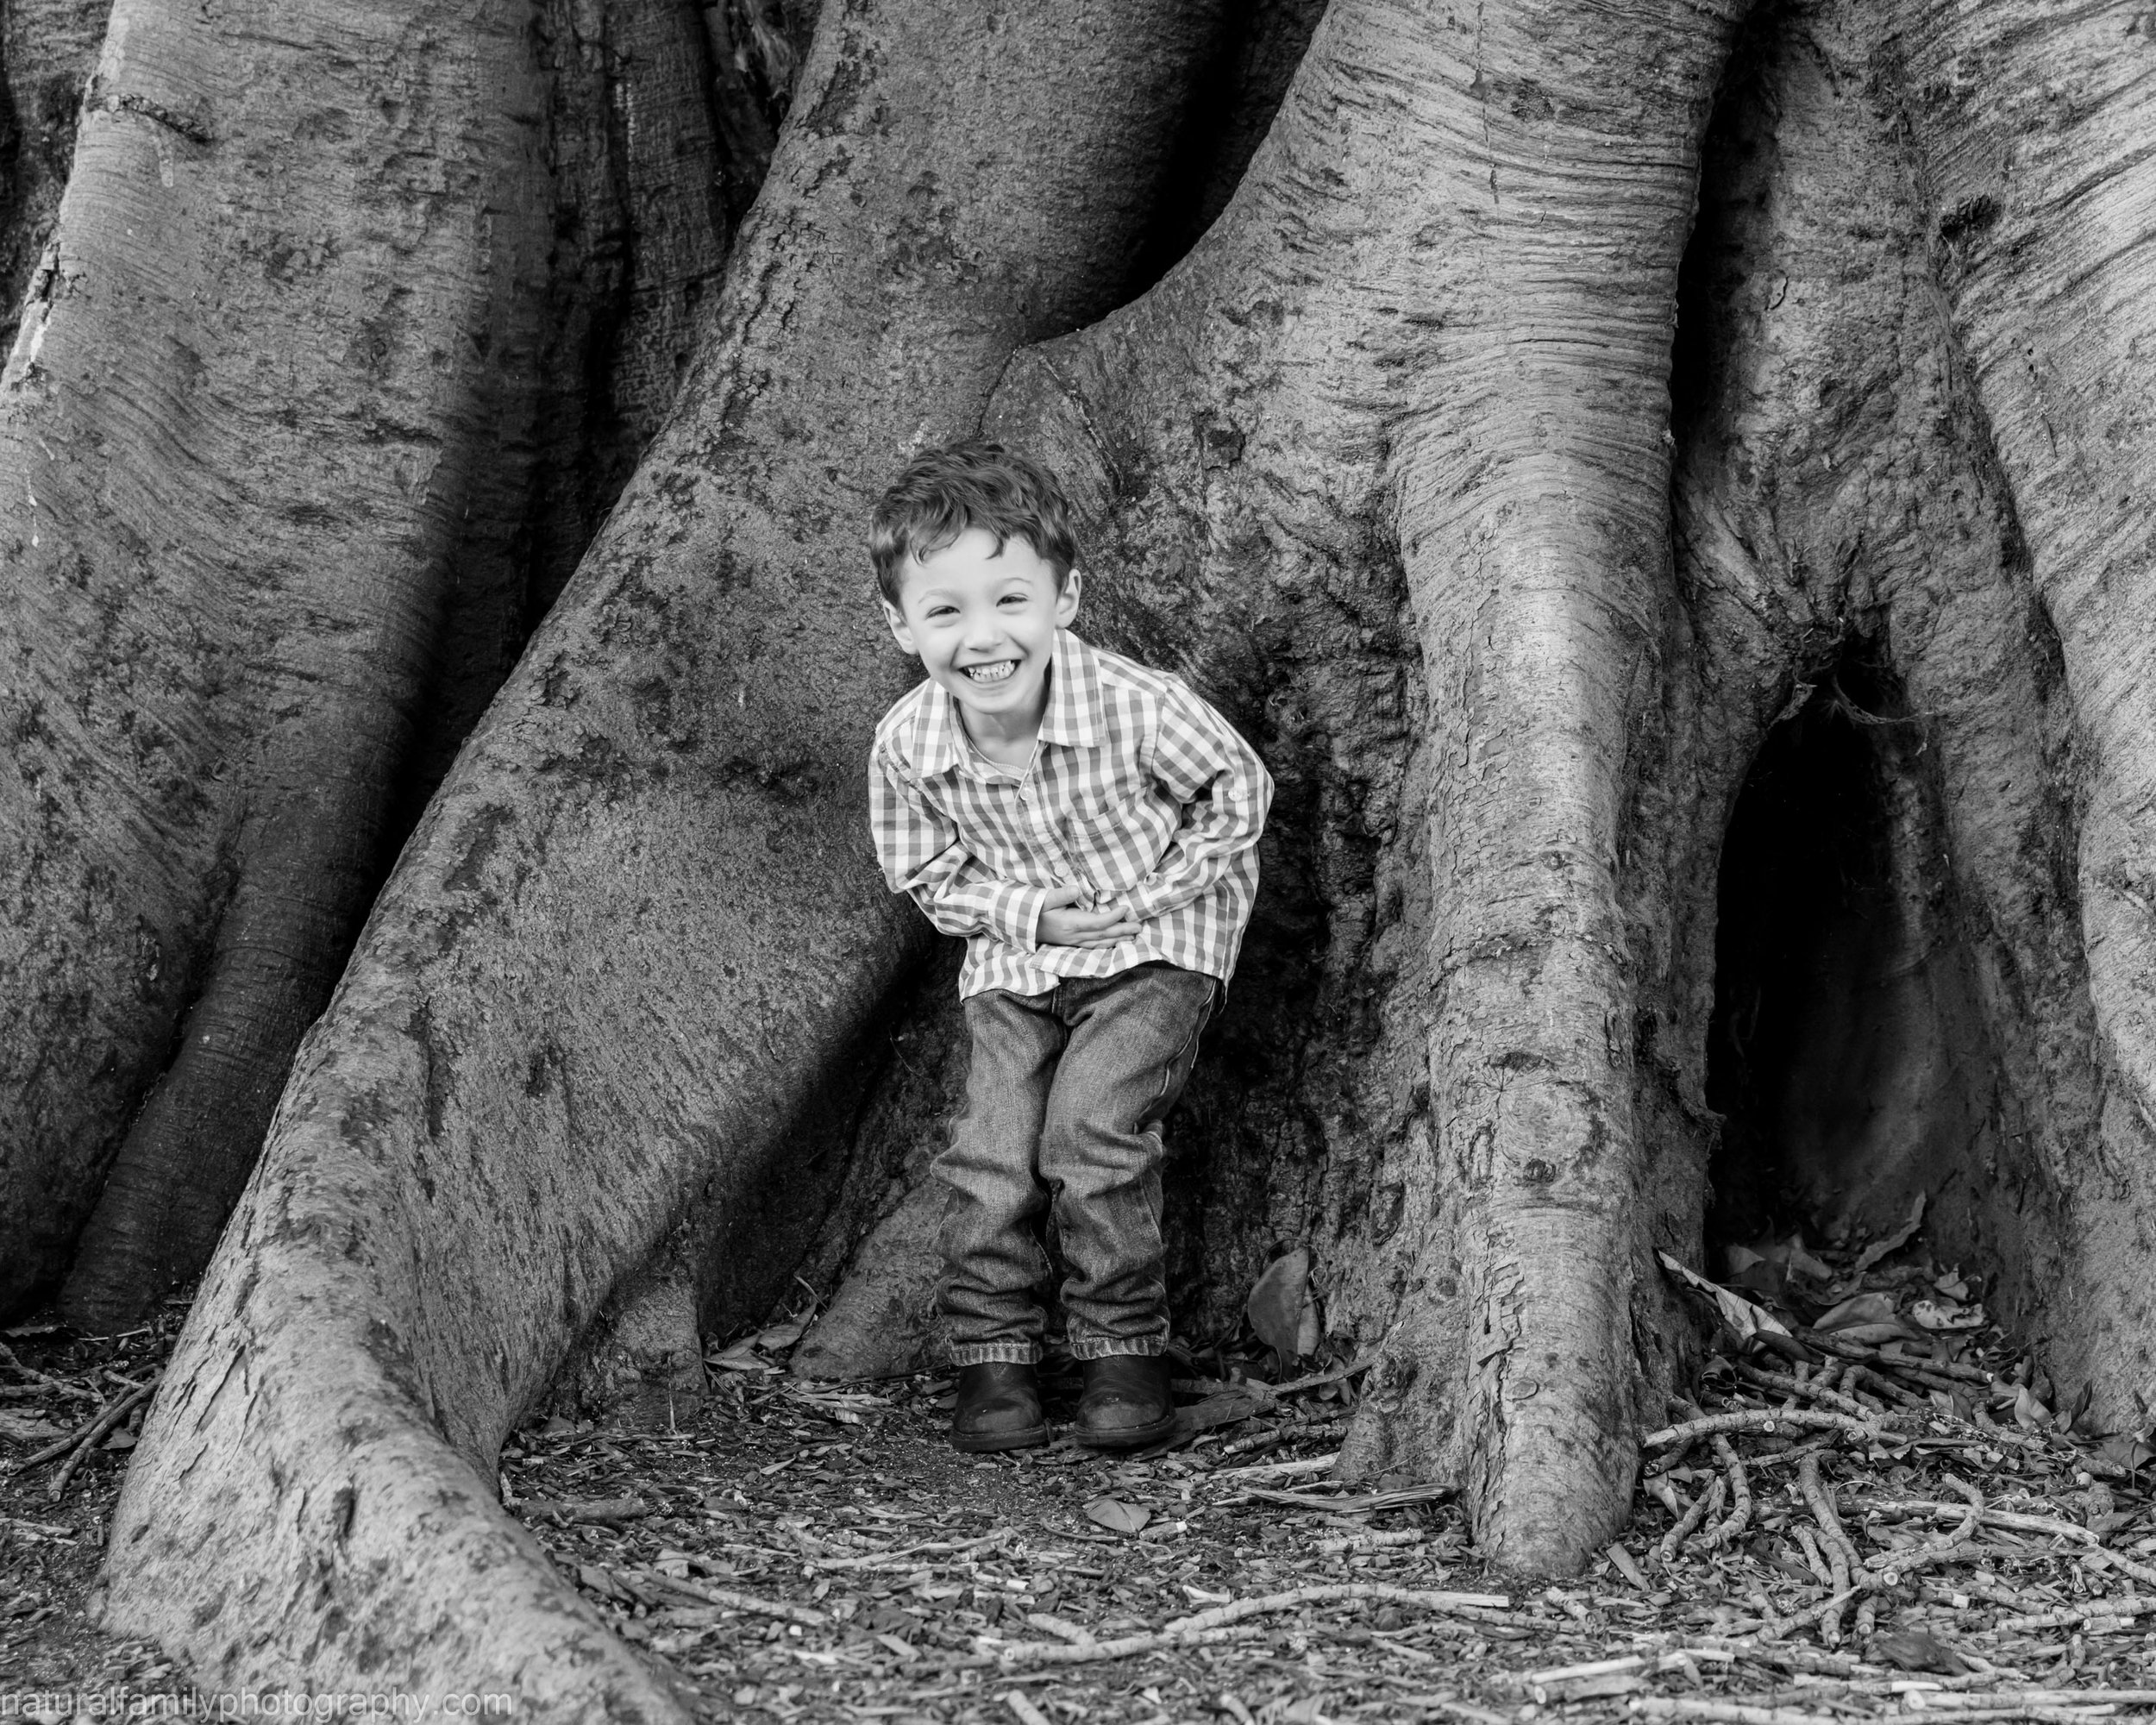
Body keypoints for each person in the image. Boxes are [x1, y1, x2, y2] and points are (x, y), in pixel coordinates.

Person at [868, 439, 1273, 1452]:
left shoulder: (1139, 707)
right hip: (1018, 959)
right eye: (945, 610)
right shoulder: (910, 743)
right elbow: (923, 870)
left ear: (1065, 597)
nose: (982, 636)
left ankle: (1122, 1354)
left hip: (1156, 948)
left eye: (1009, 600)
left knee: (1088, 1136)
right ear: (900, 623)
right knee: (992, 1149)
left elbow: (1238, 792)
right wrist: (1034, 918)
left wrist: (1146, 898)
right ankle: (994, 1358)